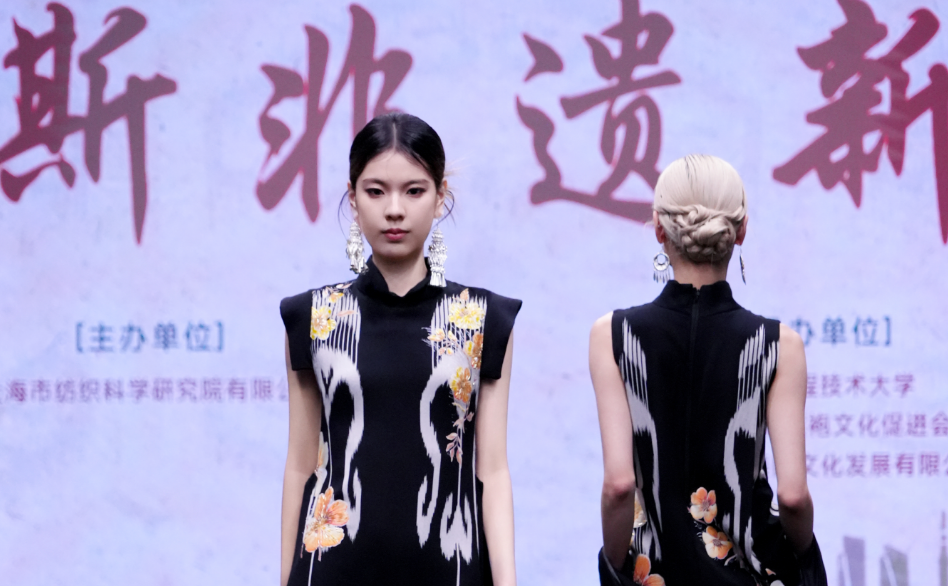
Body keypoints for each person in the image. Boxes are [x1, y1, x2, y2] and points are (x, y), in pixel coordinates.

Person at [279, 113, 520, 586]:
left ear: (440, 196)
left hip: (450, 565)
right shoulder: (312, 316)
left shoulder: (482, 318)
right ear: (352, 198)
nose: (394, 209)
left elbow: (492, 471)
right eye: (376, 191)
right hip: (333, 569)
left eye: (414, 191)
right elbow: (300, 465)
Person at [589, 155, 827, 586]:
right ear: (741, 231)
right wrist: (807, 563)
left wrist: (616, 569)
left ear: (659, 229)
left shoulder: (613, 335)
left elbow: (619, 486)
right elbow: (793, 497)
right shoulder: (779, 345)